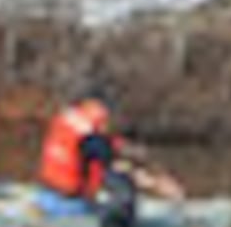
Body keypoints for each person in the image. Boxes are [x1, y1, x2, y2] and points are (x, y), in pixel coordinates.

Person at [35, 89, 186, 214]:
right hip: (71, 206)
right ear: (99, 109)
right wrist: (158, 185)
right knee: (122, 188)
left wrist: (127, 149)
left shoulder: (68, 122)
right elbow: (117, 167)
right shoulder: (92, 141)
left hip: (46, 195)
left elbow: (105, 145)